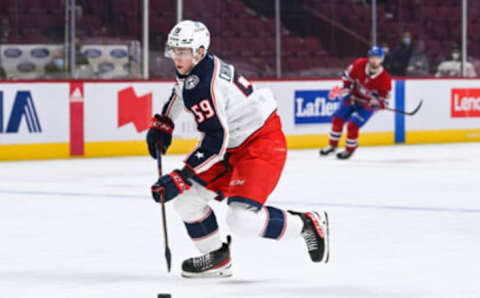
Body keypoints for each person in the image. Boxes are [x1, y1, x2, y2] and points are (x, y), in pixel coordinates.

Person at [146, 20, 330, 278]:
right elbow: (180, 90)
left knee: (241, 220)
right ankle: (217, 259)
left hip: (260, 142)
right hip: (233, 144)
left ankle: (307, 224)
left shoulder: (204, 86)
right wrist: (165, 120)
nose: (177, 57)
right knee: (187, 201)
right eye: (174, 50)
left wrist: (182, 175)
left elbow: (214, 141)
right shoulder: (194, 67)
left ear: (200, 51)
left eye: (183, 51)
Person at [319, 46, 392, 159]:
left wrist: (376, 103)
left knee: (353, 125)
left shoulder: (385, 79)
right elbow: (346, 78)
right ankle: (332, 145)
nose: (374, 60)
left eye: (377, 58)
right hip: (352, 98)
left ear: (382, 60)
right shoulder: (359, 64)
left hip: (366, 106)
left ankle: (349, 150)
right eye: (372, 57)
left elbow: (384, 101)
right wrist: (346, 92)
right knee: (337, 119)